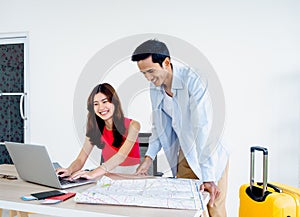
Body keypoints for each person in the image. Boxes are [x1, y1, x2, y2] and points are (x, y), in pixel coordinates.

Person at [131, 39, 229, 217]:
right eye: (143, 73)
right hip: (185, 153)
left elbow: (203, 128)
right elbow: (159, 127)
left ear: (166, 63)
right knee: (188, 210)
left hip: (210, 153)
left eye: (151, 71)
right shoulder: (155, 88)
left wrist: (208, 177)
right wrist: (147, 159)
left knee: (214, 209)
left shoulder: (193, 81)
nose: (148, 78)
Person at [57, 83, 141, 180]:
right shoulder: (95, 129)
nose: (101, 108)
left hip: (130, 177)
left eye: (104, 102)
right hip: (107, 177)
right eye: (96, 104)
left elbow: (120, 156)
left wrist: (92, 173)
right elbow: (81, 159)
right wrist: (69, 170)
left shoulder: (133, 125)